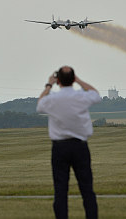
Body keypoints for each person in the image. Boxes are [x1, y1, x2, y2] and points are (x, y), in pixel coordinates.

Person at [36, 66, 102, 219]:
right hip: (80, 146)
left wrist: (48, 85)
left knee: (60, 190)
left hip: (60, 147)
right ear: (73, 79)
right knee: (87, 189)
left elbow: (40, 105)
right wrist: (79, 80)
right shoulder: (81, 96)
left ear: (58, 80)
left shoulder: (52, 99)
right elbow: (96, 95)